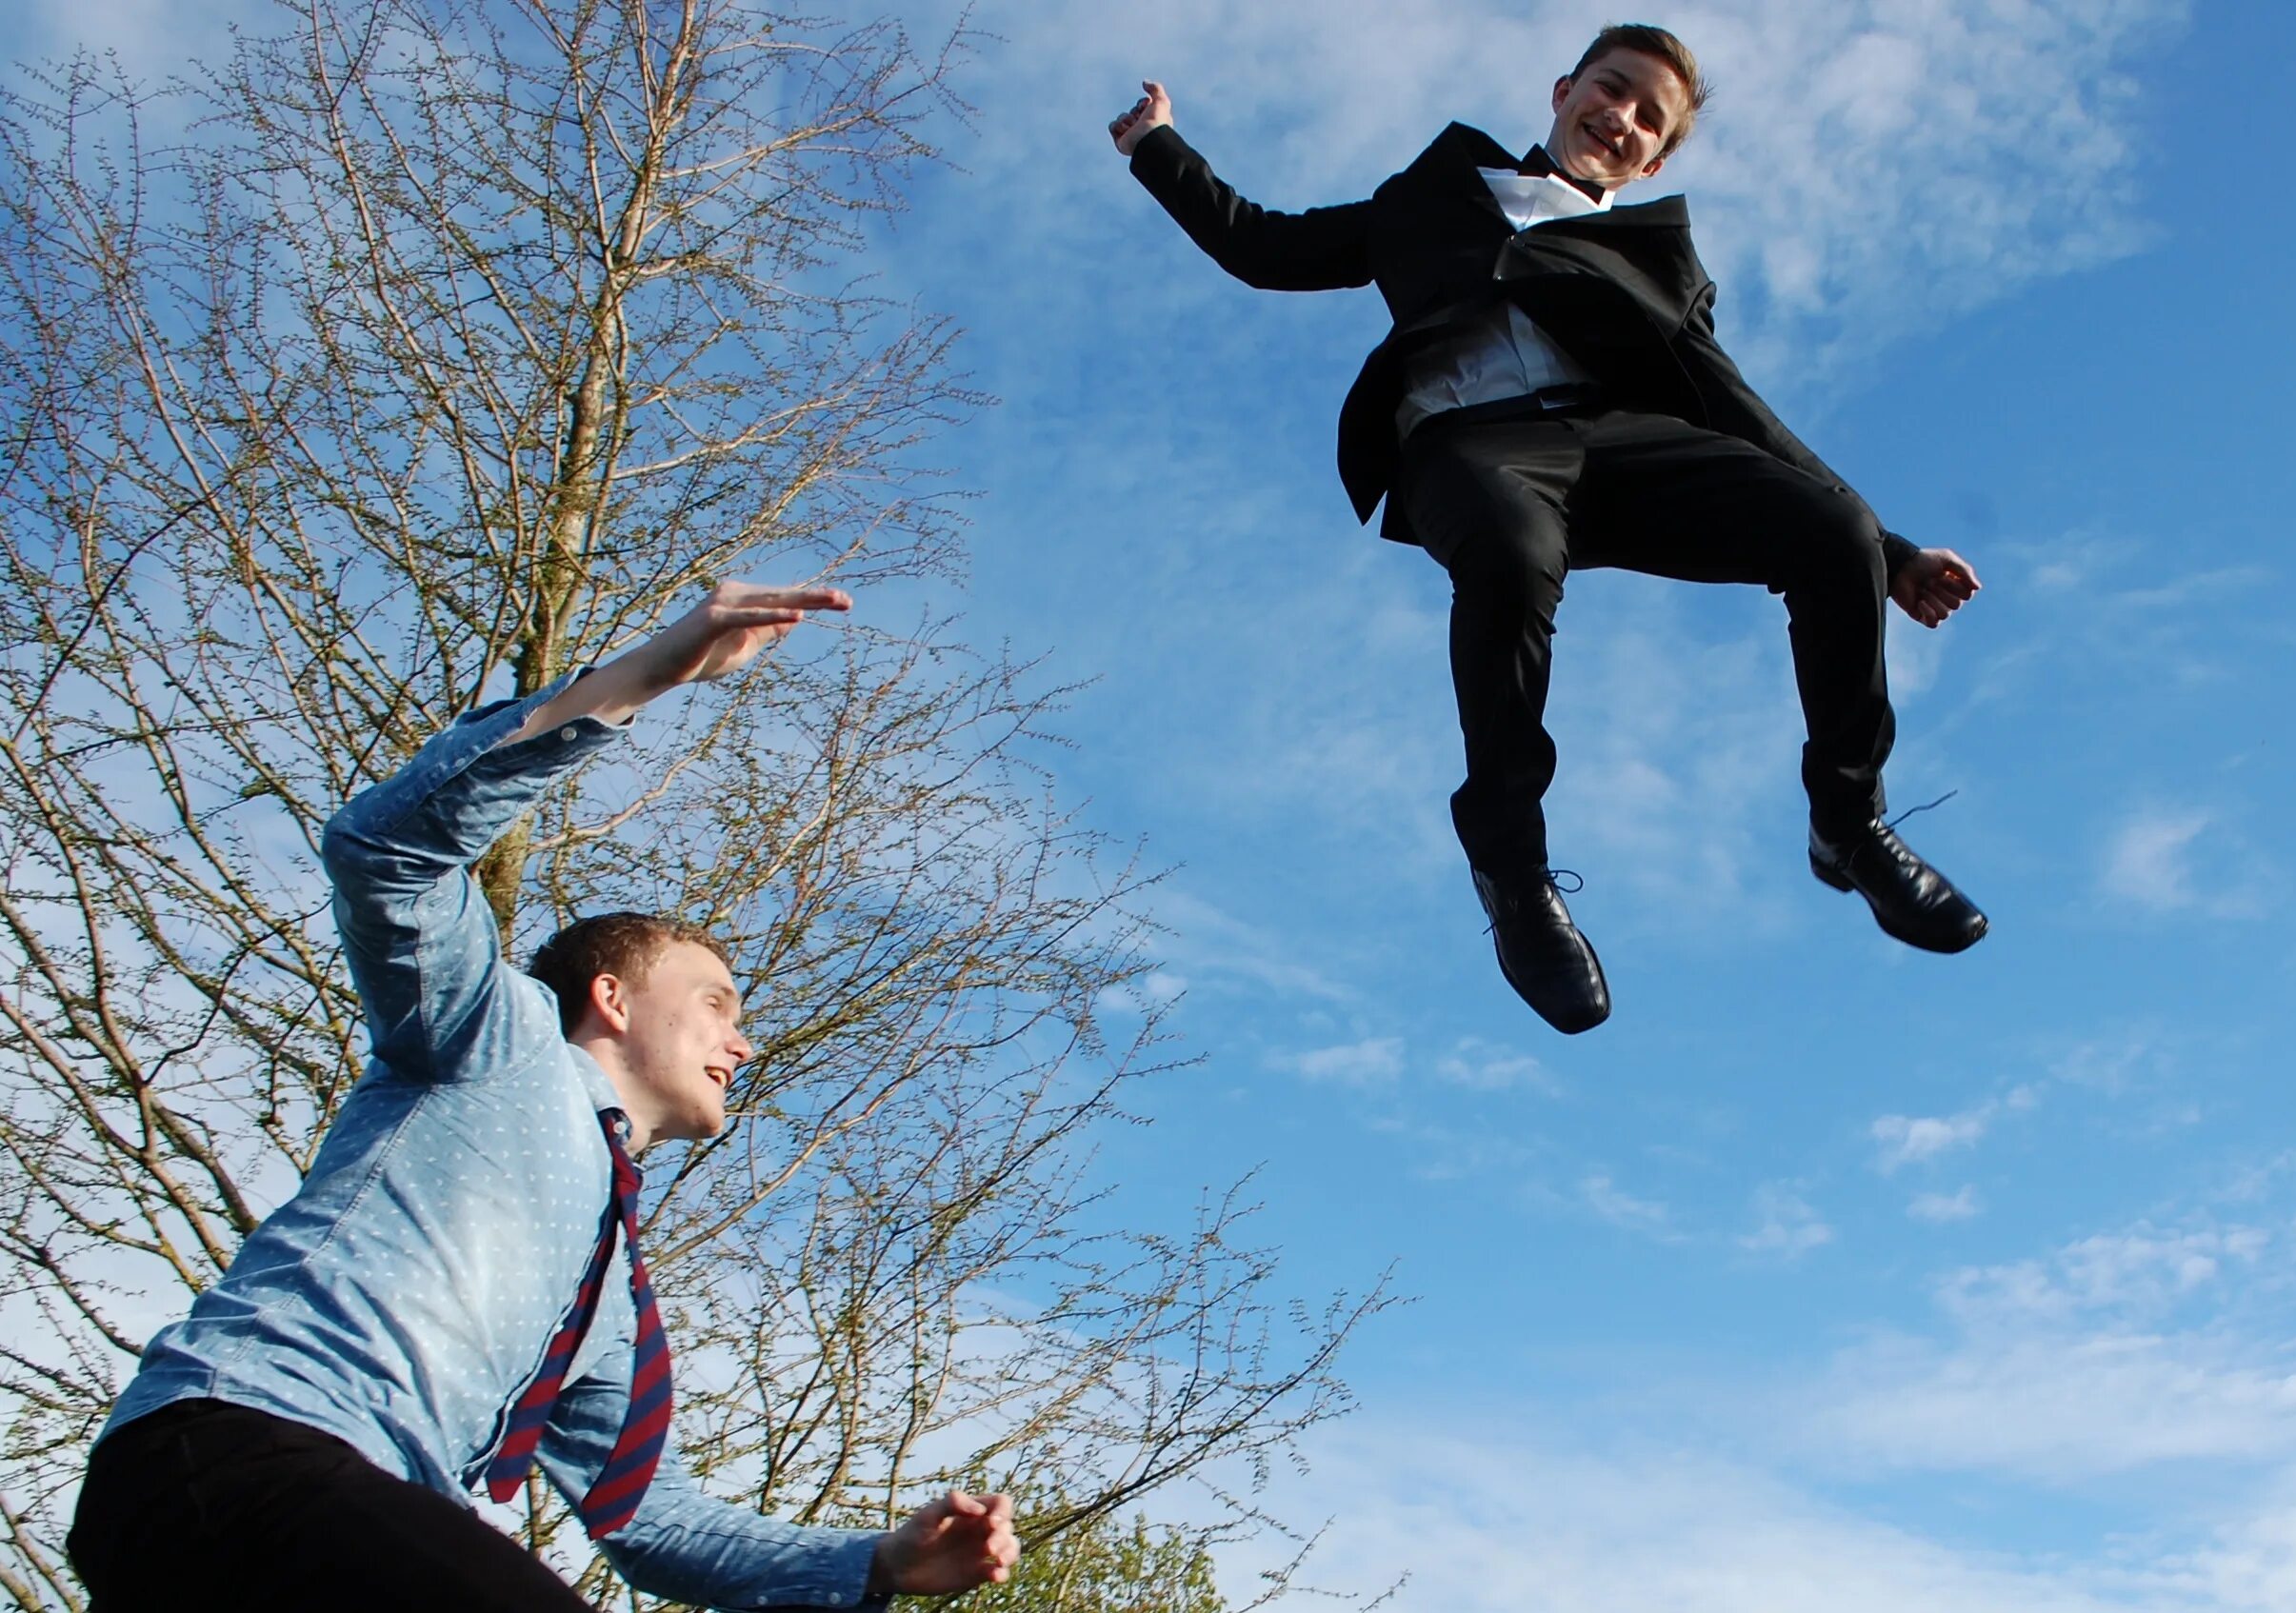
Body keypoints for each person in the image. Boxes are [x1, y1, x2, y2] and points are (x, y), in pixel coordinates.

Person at [67, 584, 1023, 1612]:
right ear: (610, 998)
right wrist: (644, 674)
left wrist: (878, 1562)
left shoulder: (608, 1300)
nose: (742, 1040)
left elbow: (651, 1521)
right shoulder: (496, 1037)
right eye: (714, 1000)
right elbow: (383, 853)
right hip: (235, 1447)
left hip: (336, 1526)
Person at [1109, 23, 1988, 1036]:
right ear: (1566, 88)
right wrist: (1158, 146)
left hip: (1616, 446)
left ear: (1654, 159)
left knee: (1831, 527)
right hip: (1471, 448)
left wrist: (1888, 552)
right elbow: (1263, 245)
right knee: (1511, 548)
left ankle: (1850, 823)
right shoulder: (1434, 198)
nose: (1620, 119)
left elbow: (1741, 412)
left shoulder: (1654, 261)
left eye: (1646, 120)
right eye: (1611, 92)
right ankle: (1516, 875)